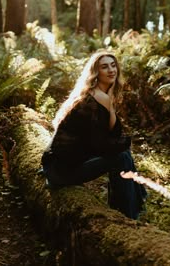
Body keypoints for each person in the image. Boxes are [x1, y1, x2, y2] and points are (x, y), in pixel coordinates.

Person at [41, 50, 147, 220]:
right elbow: (102, 144)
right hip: (60, 172)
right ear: (96, 73)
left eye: (113, 65)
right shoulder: (92, 100)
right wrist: (127, 142)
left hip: (60, 165)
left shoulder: (100, 95)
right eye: (104, 67)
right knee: (121, 157)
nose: (111, 70)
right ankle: (128, 214)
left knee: (123, 154)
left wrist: (110, 102)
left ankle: (130, 208)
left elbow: (114, 132)